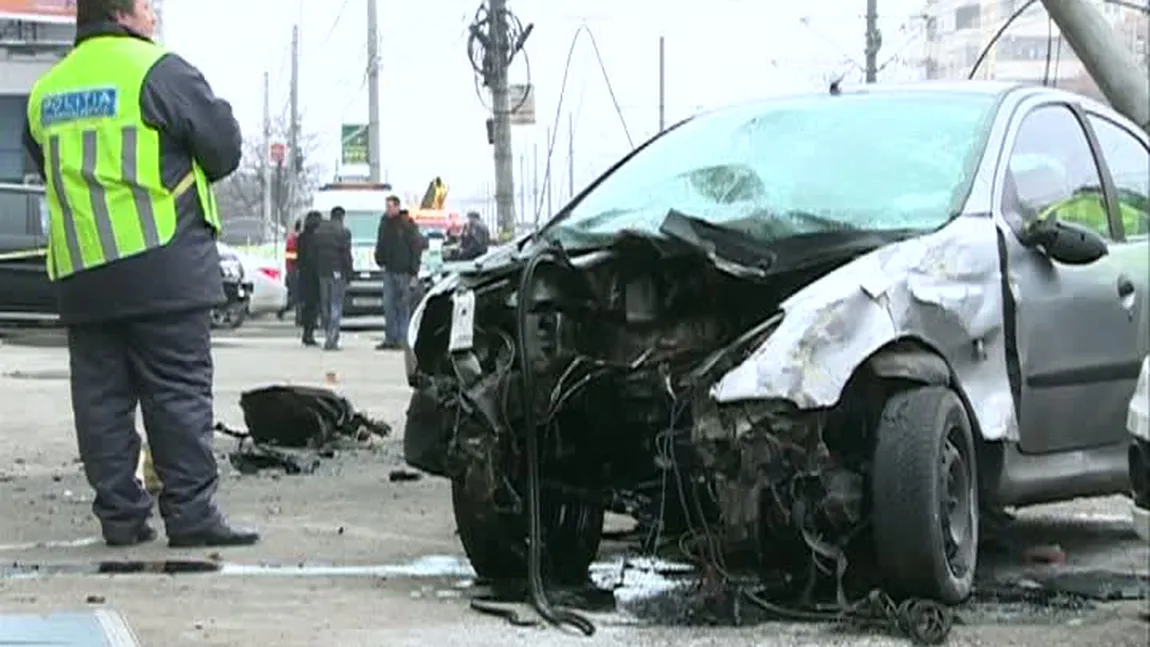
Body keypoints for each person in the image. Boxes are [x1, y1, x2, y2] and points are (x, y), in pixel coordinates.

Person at [21, 0, 258, 548]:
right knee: (177, 393)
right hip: (163, 263)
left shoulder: (46, 93)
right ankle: (192, 514)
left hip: (84, 273)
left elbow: (47, 164)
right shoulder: (158, 71)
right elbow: (223, 149)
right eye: (148, 6)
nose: (153, 15)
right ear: (124, 15)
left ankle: (122, 519)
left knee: (100, 399)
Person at [373, 195, 424, 350]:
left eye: (390, 207)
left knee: (402, 306)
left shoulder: (407, 224)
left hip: (404, 271)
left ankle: (403, 339)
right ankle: (391, 338)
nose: (388, 210)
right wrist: (378, 258)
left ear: (397, 207)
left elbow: (416, 247)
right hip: (389, 269)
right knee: (388, 305)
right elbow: (380, 243)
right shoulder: (384, 223)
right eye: (386, 206)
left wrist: (414, 270)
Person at [311, 206, 353, 350]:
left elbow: (314, 253)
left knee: (326, 304)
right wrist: (349, 273)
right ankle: (332, 338)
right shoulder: (344, 232)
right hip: (337, 272)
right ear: (342, 217)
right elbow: (346, 255)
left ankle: (328, 333)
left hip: (322, 272)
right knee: (336, 304)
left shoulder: (319, 232)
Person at [295, 210, 324, 347]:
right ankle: (309, 334)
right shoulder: (316, 237)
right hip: (313, 276)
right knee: (313, 307)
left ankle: (307, 333)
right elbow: (313, 257)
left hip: (303, 275)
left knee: (307, 306)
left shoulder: (301, 237)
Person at [278, 218, 301, 322]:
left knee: (296, 296)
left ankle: (297, 316)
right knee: (295, 296)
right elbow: (290, 256)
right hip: (293, 271)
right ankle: (281, 310)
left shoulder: (295, 239)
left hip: (294, 270)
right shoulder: (293, 240)